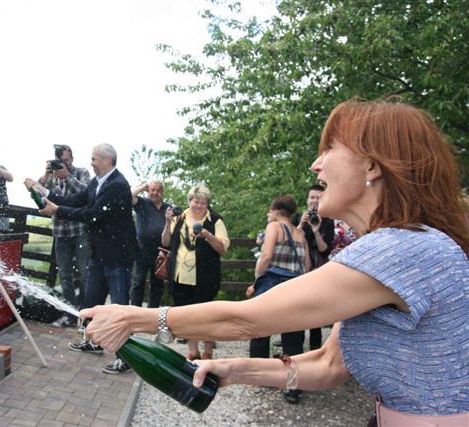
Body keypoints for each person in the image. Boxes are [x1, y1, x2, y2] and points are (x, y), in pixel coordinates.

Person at [81, 99, 469, 425]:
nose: (316, 165)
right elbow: (329, 365)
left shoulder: (404, 250)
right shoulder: (392, 249)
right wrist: (232, 371)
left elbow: (248, 319)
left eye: (329, 149)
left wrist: (135, 318)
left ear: (372, 166)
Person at [24, 143, 139, 374]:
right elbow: (75, 200)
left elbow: (93, 215)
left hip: (118, 257)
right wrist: (42, 190)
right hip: (100, 254)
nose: (91, 162)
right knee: (92, 301)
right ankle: (93, 341)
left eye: (94, 158)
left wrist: (56, 211)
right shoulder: (97, 183)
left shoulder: (117, 185)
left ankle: (125, 357)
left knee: (118, 307)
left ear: (107, 160)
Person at [245, 195, 310, 403]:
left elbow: (265, 256)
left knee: (259, 331)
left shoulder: (274, 227)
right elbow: (307, 266)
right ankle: (293, 387)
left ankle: (260, 376)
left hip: (272, 285)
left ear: (276, 210)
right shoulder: (300, 233)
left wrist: (257, 277)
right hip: (296, 287)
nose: (268, 215)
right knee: (293, 339)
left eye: (270, 211)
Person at [161, 185, 229, 361]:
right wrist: (168, 222)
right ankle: (193, 351)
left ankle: (207, 352)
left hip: (205, 277)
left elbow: (222, 249)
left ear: (207, 204)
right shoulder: (180, 217)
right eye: (195, 201)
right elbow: (165, 242)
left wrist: (207, 235)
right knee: (187, 316)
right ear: (189, 201)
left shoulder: (215, 221)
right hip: (180, 275)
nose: (198, 205)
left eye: (203, 202)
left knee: (206, 317)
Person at [38, 144, 91, 309]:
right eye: (60, 161)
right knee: (64, 275)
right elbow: (39, 196)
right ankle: (71, 311)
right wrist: (46, 174)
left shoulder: (81, 172)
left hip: (80, 230)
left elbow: (87, 193)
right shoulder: (51, 177)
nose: (63, 163)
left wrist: (67, 176)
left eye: (66, 160)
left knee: (85, 273)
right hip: (60, 233)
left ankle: (84, 309)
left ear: (72, 159)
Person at [293, 184, 335, 350]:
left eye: (318, 197)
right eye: (312, 197)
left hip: (319, 269)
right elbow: (291, 240)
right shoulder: (297, 218)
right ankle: (295, 347)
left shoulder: (328, 221)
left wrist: (316, 231)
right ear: (307, 199)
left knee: (316, 310)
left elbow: (325, 250)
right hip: (299, 268)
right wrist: (301, 226)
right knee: (297, 307)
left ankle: (315, 348)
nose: (315, 201)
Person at [130, 181, 170, 308]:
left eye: (158, 190)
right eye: (152, 190)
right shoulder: (142, 203)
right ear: (148, 191)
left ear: (162, 192)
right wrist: (142, 187)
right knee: (138, 282)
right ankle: (135, 312)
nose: (155, 193)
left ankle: (152, 313)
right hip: (142, 250)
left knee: (157, 284)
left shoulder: (167, 208)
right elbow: (128, 196)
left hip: (161, 251)